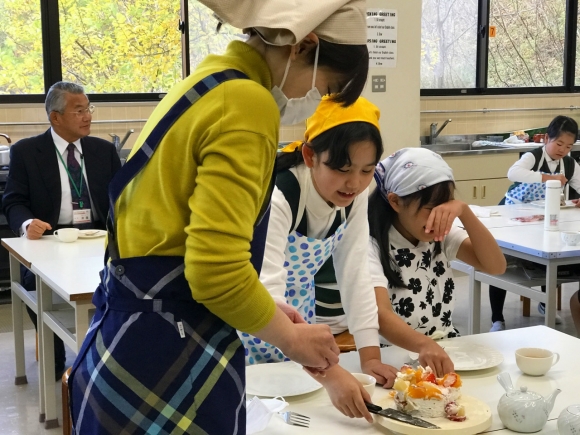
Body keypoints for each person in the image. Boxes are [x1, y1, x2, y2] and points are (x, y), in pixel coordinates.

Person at [68, 1, 370, 433]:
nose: (314, 101)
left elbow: (177, 243)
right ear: (305, 46)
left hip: (130, 330)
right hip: (170, 350)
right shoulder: (248, 102)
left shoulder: (208, 80)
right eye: (324, 88)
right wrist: (292, 340)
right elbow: (215, 272)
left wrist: (262, 307)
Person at [240, 95, 391, 422]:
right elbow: (266, 290)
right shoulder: (281, 195)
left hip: (302, 320)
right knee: (258, 415)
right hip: (253, 319)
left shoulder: (355, 195)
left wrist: (370, 357)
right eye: (342, 168)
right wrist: (330, 373)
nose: (355, 183)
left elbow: (355, 273)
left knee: (304, 415)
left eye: (367, 170)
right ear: (309, 156)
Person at [2, 81, 121, 377]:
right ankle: (54, 352)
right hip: (50, 238)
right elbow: (14, 201)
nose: (88, 116)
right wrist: (28, 223)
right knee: (33, 283)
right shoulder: (27, 151)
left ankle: (111, 351)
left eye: (88, 109)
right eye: (79, 110)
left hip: (97, 236)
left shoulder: (103, 151)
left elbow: (123, 197)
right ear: (55, 117)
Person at [368, 147, 506, 349]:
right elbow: (382, 315)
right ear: (395, 201)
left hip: (444, 347)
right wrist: (425, 346)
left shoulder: (438, 234)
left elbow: (496, 266)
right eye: (431, 209)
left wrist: (464, 211)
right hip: (394, 356)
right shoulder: (371, 244)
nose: (438, 218)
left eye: (446, 206)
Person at [489, 115, 580, 332]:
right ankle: (497, 318)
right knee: (498, 261)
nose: (563, 150)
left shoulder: (569, 163)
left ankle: (544, 302)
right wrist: (549, 179)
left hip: (545, 217)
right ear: (546, 139)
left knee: (549, 252)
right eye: (558, 144)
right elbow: (513, 173)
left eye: (568, 146)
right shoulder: (533, 156)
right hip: (513, 215)